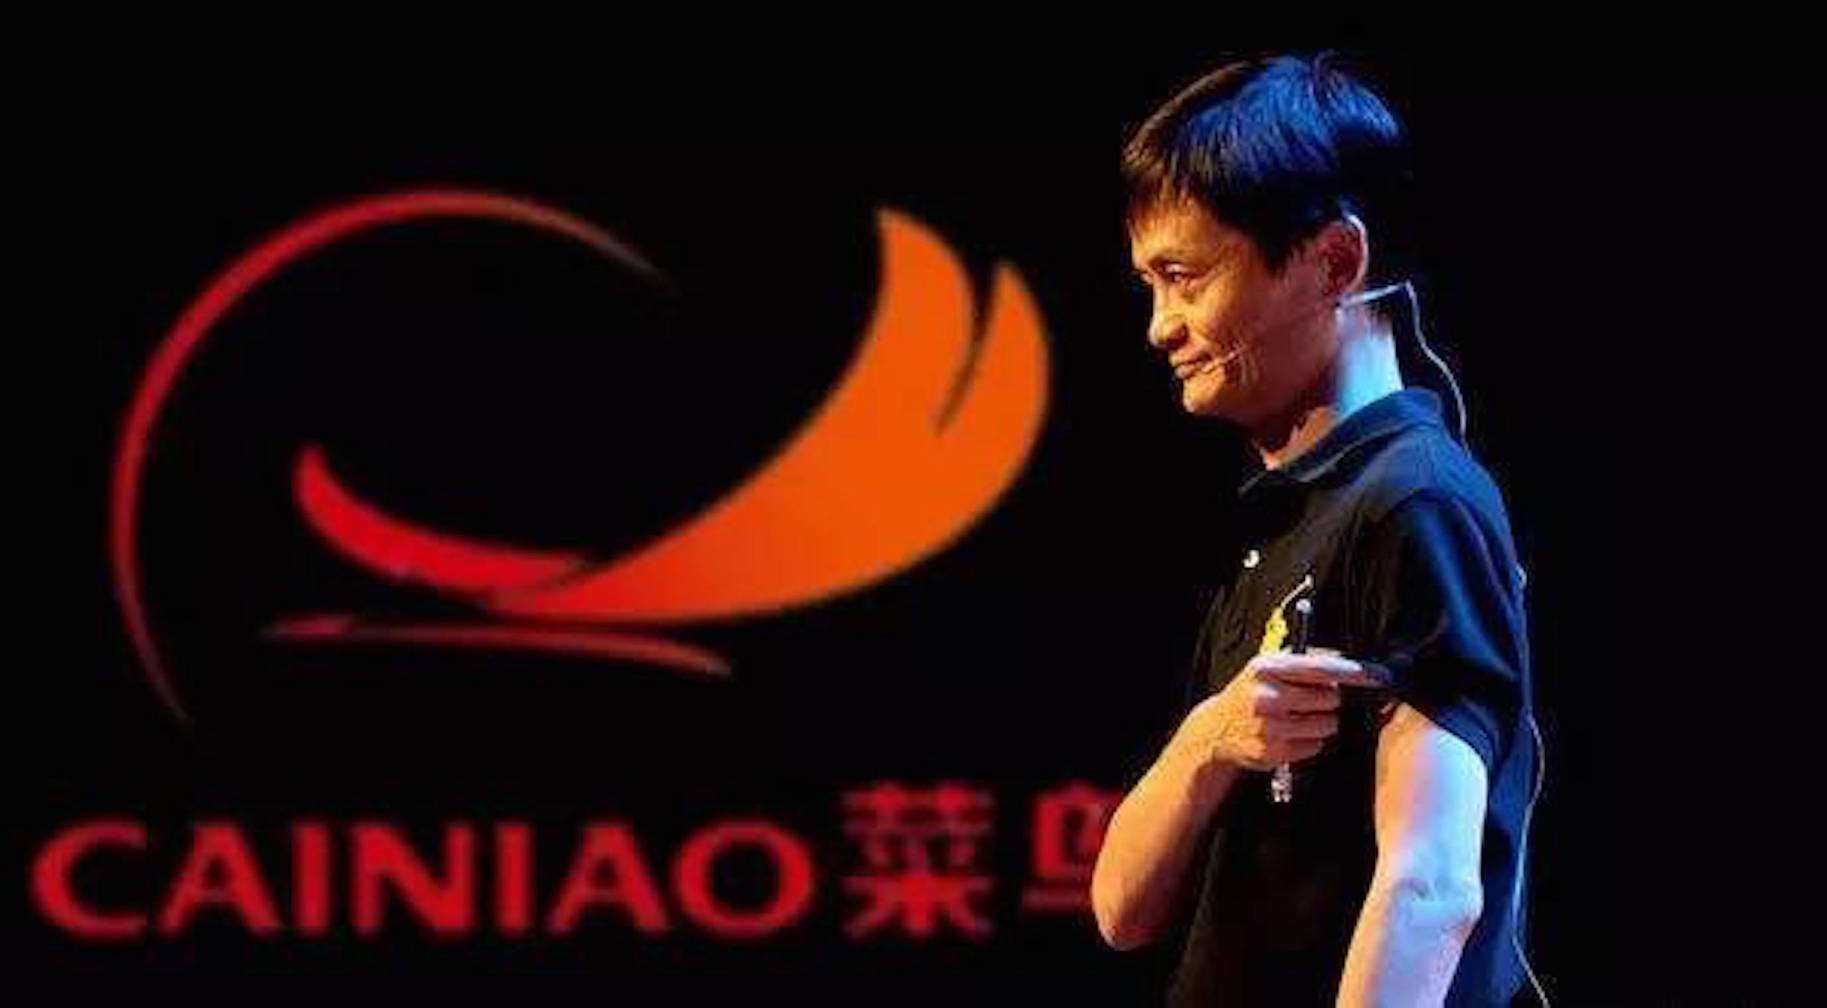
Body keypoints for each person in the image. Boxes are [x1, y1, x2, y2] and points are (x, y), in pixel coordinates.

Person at [1090, 53, 1541, 1006]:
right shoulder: (1279, 517)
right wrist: (1209, 737)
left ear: (1334, 262)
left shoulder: (1415, 502)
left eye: (1183, 277)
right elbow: (1121, 910)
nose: (1160, 325)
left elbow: (1429, 890)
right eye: (1149, 285)